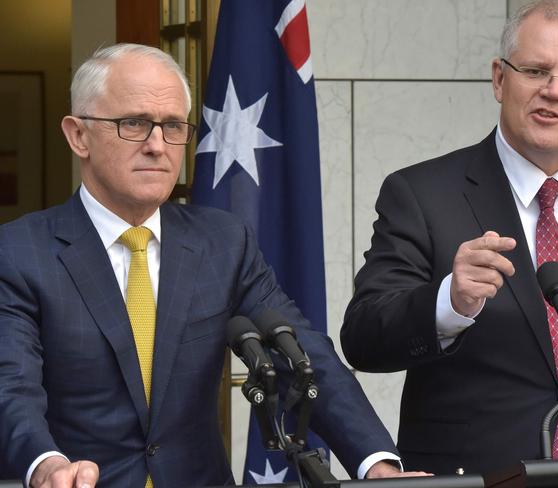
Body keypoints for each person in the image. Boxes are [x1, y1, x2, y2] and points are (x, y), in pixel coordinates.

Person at [0, 44, 426, 487]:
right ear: (78, 135)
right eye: (134, 124)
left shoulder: (223, 241)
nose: (157, 146)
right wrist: (46, 464)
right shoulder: (18, 252)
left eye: (172, 127)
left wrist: (377, 463)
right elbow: (10, 387)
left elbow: (303, 355)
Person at [341, 0, 558, 477]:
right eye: (535, 70)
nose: (553, 91)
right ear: (499, 78)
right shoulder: (422, 193)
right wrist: (450, 302)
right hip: (475, 475)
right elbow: (363, 337)